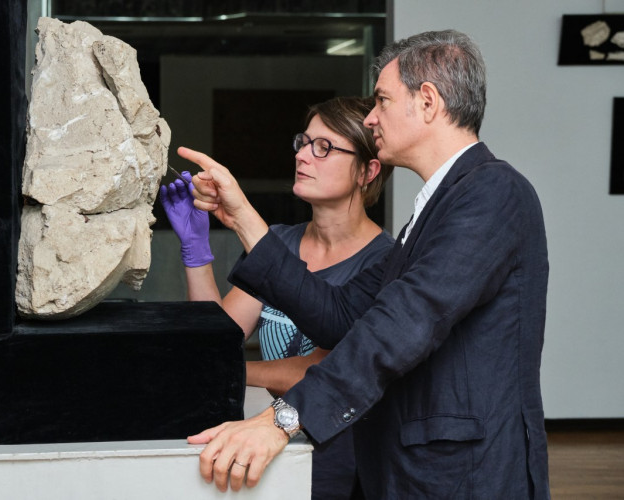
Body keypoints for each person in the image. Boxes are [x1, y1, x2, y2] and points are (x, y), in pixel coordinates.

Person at [183, 29, 551, 499]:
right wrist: (242, 217)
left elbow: (403, 323)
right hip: (413, 472)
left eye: (382, 100)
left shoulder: (492, 192)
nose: (371, 118)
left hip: (463, 478)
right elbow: (338, 316)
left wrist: (284, 419)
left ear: (428, 102)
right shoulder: (435, 208)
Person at [160, 96, 395, 500]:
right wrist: (195, 252)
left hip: (343, 452)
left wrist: (229, 370)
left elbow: (324, 372)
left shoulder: (384, 262)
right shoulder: (280, 243)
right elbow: (218, 338)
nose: (304, 156)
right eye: (304, 142)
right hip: (270, 440)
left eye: (324, 147)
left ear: (367, 171)